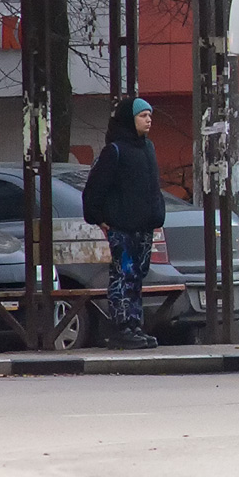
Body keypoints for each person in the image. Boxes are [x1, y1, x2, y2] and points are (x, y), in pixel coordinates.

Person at [83, 96, 167, 350]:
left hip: (143, 226)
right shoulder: (115, 151)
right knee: (123, 275)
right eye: (143, 116)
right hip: (122, 227)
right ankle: (121, 327)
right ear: (130, 120)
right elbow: (94, 189)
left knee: (137, 276)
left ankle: (134, 325)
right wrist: (100, 218)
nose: (148, 119)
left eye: (150, 115)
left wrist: (156, 212)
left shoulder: (147, 148)